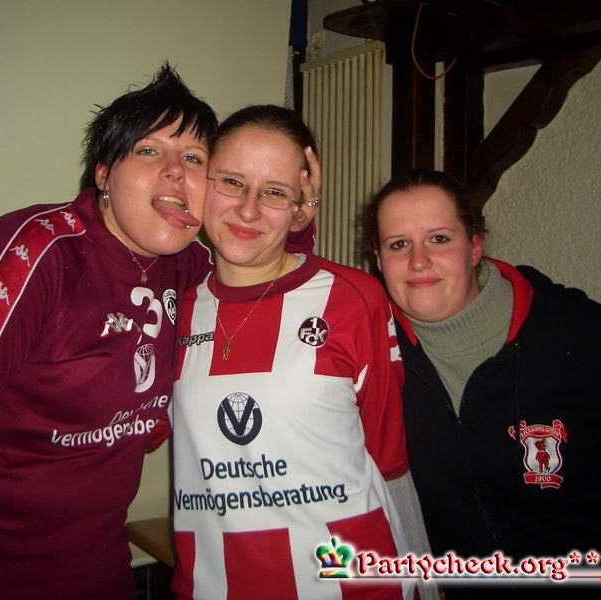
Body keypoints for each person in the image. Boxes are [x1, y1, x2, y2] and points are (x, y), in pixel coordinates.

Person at [0, 64, 318, 600]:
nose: (175, 172)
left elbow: (272, 298)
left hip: (102, 574)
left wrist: (296, 220)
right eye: (149, 150)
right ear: (103, 173)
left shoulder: (190, 271)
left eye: (194, 158)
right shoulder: (32, 257)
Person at [170, 105, 434, 600]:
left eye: (274, 191)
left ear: (300, 204)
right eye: (232, 182)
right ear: (202, 183)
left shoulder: (353, 299)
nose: (249, 209)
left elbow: (389, 461)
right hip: (212, 584)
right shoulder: (177, 309)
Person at [362, 168, 601, 598]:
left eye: (439, 239)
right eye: (399, 244)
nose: (418, 261)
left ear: (474, 246)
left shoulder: (583, 335)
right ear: (378, 260)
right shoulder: (373, 359)